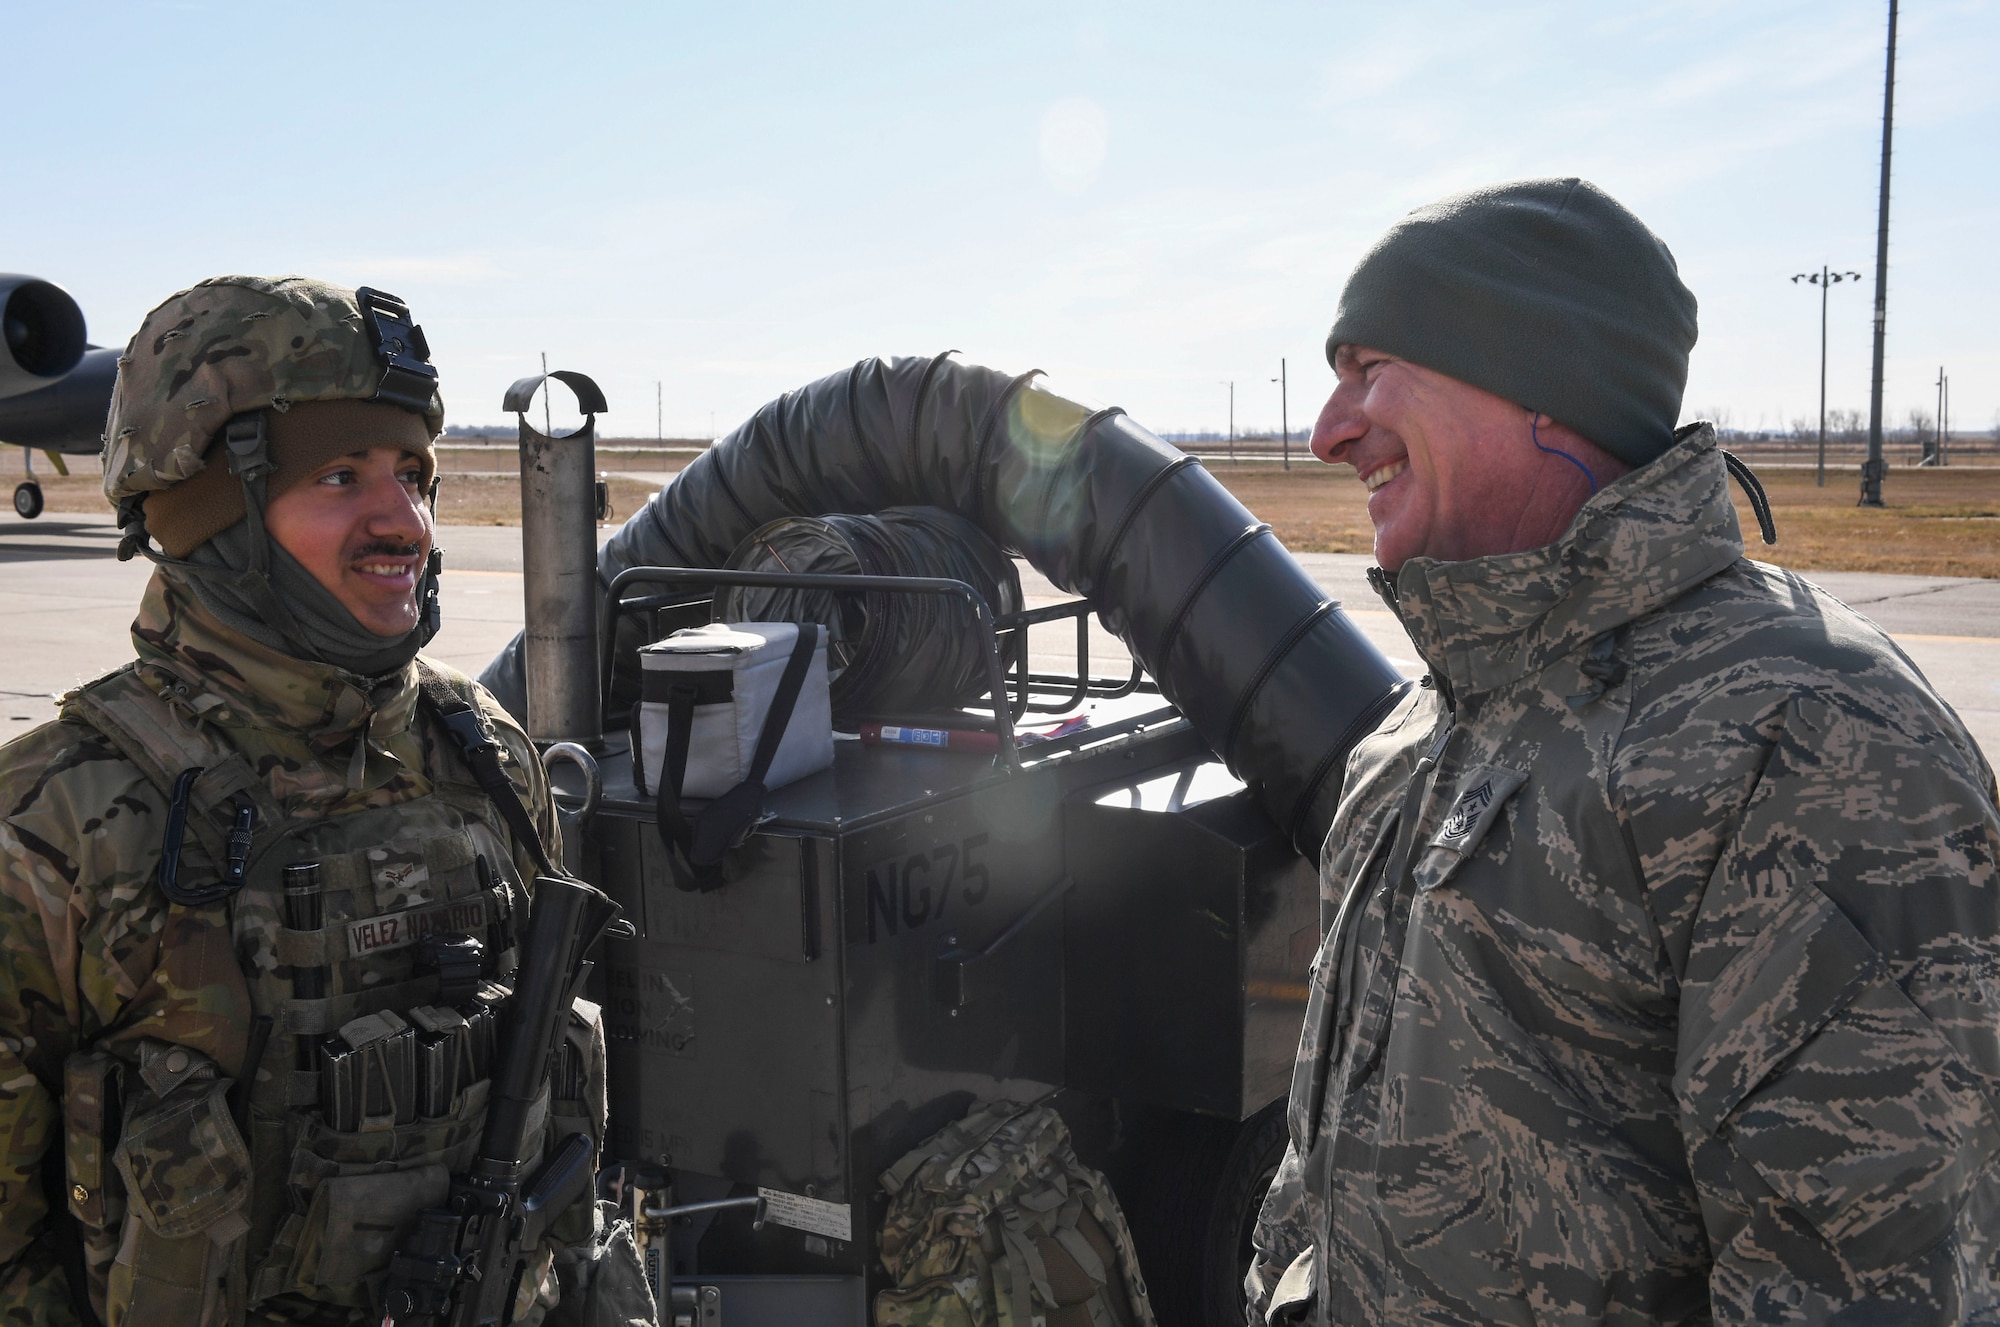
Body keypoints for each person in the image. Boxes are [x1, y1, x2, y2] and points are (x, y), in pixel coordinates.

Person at [1245, 179, 2000, 1325]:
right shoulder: (1423, 724)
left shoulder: (1802, 733)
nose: (1326, 430)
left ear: (1539, 385)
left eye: (1368, 369)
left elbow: (1866, 1278)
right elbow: (1327, 1164)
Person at [0, 277, 614, 1326]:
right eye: (341, 476)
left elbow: (556, 1180)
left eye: (413, 476)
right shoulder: (57, 824)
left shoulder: (482, 756)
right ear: (212, 513)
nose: (407, 525)